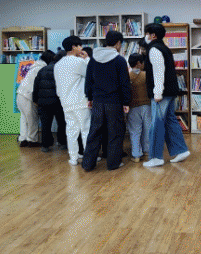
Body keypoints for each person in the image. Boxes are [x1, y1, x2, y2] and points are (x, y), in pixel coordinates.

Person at [142, 23, 190, 167]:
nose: (146, 36)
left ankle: (156, 157)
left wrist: (157, 92)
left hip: (161, 93)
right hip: (170, 91)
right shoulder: (164, 48)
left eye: (147, 33)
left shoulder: (154, 49)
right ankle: (181, 150)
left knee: (156, 124)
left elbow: (158, 72)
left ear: (153, 35)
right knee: (170, 120)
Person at [82, 31, 132, 171]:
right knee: (115, 132)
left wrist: (89, 97)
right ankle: (113, 163)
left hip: (97, 101)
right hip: (114, 102)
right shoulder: (119, 60)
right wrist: (126, 102)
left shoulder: (93, 58)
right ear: (118, 43)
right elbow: (124, 83)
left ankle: (88, 164)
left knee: (94, 133)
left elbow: (88, 81)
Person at [55, 36, 91, 165]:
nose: (81, 48)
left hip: (66, 102)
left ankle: (73, 158)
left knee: (71, 131)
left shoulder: (58, 64)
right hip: (80, 101)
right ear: (73, 47)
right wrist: (87, 58)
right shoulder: (78, 62)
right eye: (79, 45)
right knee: (86, 130)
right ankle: (88, 157)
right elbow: (89, 73)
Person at [17, 50, 54, 147]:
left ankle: (23, 139)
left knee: (24, 119)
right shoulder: (42, 68)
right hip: (27, 96)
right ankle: (32, 140)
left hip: (20, 94)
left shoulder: (35, 66)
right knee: (32, 119)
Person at [33, 51, 68, 152]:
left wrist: (35, 99)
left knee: (45, 124)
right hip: (58, 102)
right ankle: (62, 142)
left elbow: (36, 86)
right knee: (61, 123)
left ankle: (45, 145)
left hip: (43, 103)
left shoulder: (42, 69)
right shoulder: (62, 70)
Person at [127, 53, 151, 162]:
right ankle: (147, 150)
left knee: (135, 131)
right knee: (147, 129)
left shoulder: (127, 76)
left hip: (133, 107)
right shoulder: (146, 75)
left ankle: (136, 154)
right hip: (147, 105)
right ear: (138, 63)